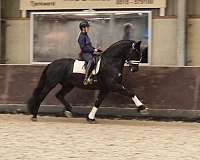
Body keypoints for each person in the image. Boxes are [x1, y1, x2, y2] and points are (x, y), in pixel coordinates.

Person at [78, 20, 102, 85]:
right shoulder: (81, 37)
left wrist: (96, 49)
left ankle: (94, 76)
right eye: (87, 27)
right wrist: (93, 50)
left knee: (98, 58)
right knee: (91, 60)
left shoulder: (86, 35)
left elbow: (89, 46)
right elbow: (83, 48)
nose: (88, 28)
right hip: (84, 53)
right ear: (83, 28)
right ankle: (86, 78)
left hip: (89, 52)